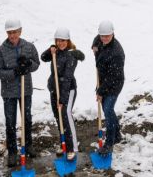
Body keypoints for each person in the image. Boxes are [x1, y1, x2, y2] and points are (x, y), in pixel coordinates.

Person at [0, 19, 40, 167]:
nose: (13, 35)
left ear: (20, 31)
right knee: (10, 122)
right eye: (10, 33)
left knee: (26, 119)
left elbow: (36, 64)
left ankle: (28, 145)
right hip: (9, 92)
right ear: (7, 33)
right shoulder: (0, 50)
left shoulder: (29, 47)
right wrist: (14, 72)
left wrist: (28, 65)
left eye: (15, 32)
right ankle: (13, 152)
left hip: (25, 90)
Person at [41, 28, 85, 161]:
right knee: (58, 116)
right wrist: (50, 50)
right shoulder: (56, 52)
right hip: (55, 89)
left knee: (65, 115)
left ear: (68, 41)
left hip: (68, 90)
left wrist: (63, 98)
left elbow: (67, 78)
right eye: (58, 41)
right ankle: (63, 144)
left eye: (63, 40)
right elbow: (43, 58)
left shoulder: (71, 55)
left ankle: (71, 147)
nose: (60, 43)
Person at [92, 21, 125, 155]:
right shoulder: (100, 40)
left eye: (107, 36)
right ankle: (117, 134)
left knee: (107, 109)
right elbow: (96, 39)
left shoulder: (116, 53)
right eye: (102, 36)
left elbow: (113, 78)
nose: (104, 38)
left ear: (113, 34)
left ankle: (110, 142)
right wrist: (94, 46)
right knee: (108, 110)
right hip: (102, 80)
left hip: (114, 83)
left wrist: (100, 91)